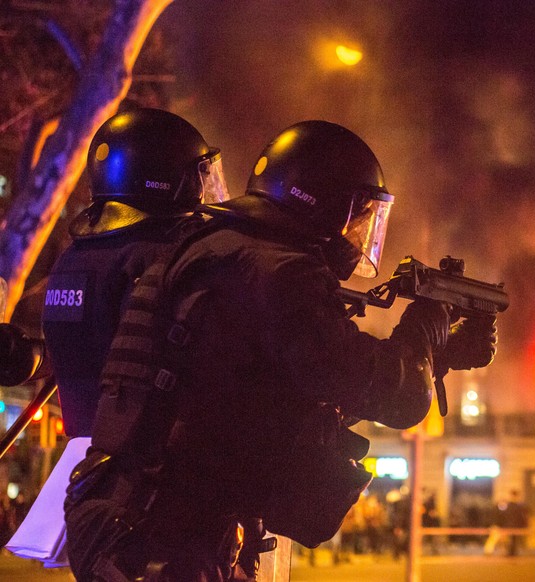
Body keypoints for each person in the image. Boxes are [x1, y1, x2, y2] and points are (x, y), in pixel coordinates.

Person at [64, 120, 498, 581]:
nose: (359, 233)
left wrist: (437, 355)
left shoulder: (218, 252)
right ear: (324, 204)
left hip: (136, 525)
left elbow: (299, 398)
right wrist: (426, 329)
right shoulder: (281, 273)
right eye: (359, 216)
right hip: (164, 542)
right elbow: (397, 397)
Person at [5, 107, 229, 566]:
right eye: (200, 173)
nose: (207, 188)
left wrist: (32, 358)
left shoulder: (78, 257)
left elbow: (94, 354)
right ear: (163, 179)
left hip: (92, 476)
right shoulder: (160, 261)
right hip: (158, 485)